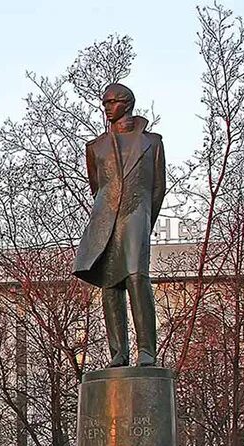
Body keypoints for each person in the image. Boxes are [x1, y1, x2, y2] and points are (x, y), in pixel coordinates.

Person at [73, 83, 166, 367]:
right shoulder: (96, 147)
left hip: (137, 212)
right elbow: (97, 186)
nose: (106, 107)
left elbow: (158, 187)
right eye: (104, 102)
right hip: (106, 218)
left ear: (126, 103)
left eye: (111, 102)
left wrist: (143, 218)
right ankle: (118, 353)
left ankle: (146, 350)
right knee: (109, 283)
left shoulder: (153, 141)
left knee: (137, 277)